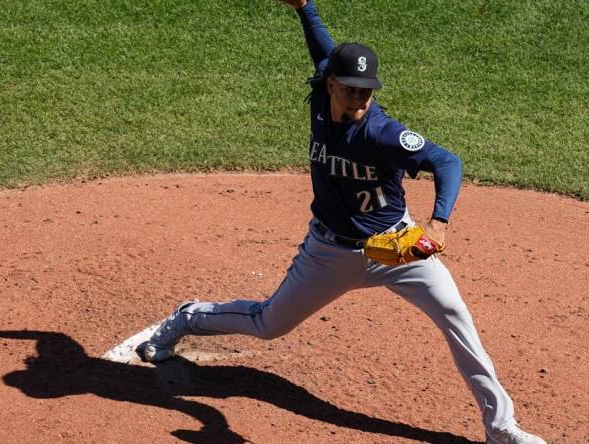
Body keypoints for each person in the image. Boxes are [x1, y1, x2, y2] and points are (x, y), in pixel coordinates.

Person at [136, 1, 547, 443]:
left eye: (366, 89)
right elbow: (323, 50)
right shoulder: (320, 97)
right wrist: (305, 9)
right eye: (350, 88)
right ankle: (188, 317)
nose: (360, 97)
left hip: (398, 248)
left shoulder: (383, 132)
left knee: (456, 318)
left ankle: (501, 428)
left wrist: (439, 221)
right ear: (331, 84)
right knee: (268, 324)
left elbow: (447, 161)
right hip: (329, 252)